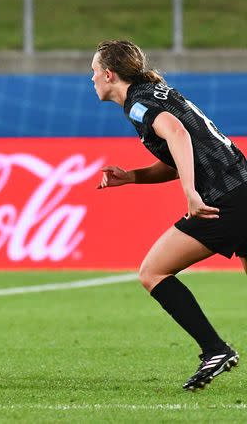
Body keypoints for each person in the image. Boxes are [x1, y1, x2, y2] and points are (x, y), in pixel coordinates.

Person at [92, 39, 242, 391]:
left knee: (153, 271)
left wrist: (191, 191)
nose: (92, 78)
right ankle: (215, 349)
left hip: (226, 199)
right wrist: (132, 177)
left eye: (94, 71)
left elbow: (177, 134)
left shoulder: (138, 105)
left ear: (110, 75)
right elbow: (180, 151)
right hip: (241, 188)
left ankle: (215, 349)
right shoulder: (156, 91)